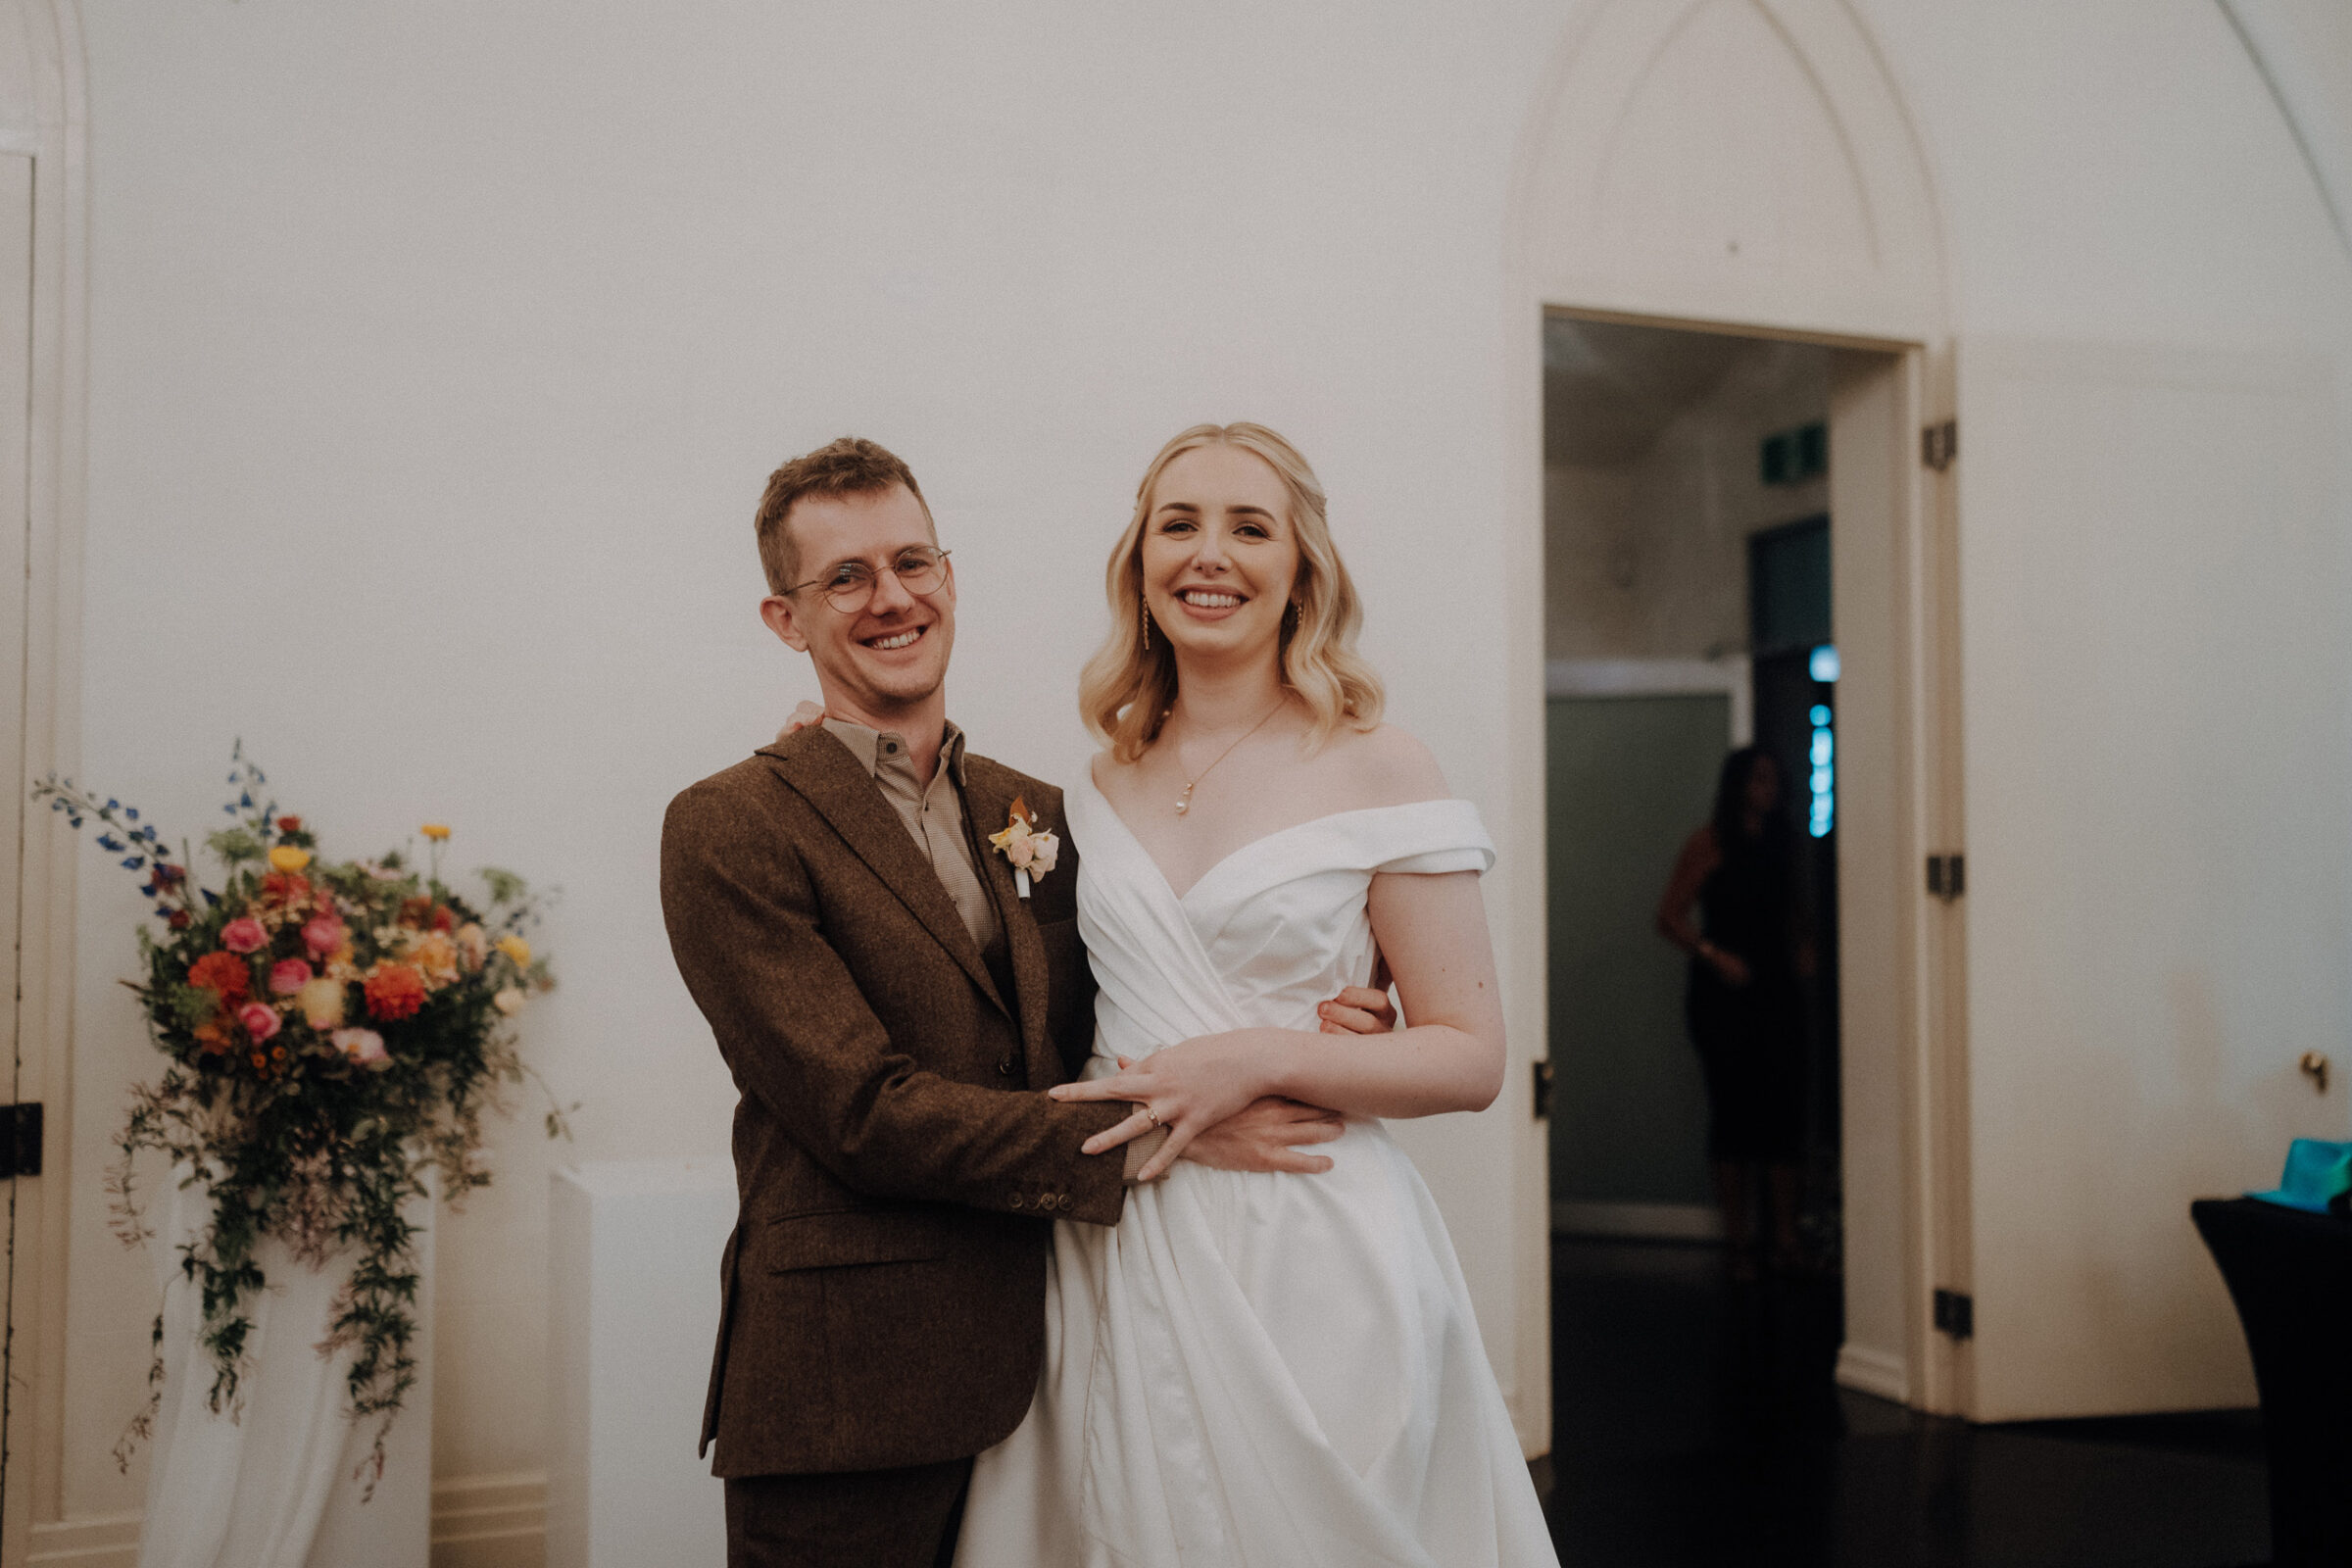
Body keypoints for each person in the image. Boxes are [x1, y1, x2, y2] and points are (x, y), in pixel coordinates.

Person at [659, 437, 1397, 1568]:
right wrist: (1179, 1127)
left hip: (1069, 1355)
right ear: (785, 620)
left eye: (913, 561)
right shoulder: (729, 823)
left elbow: (1136, 1002)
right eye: (844, 577)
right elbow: (862, 1112)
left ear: (950, 579)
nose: (890, 597)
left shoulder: (1041, 810)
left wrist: (1322, 1024)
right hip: (853, 1389)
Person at [954, 424, 1559, 1567]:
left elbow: (1471, 1056)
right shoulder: (1091, 784)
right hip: (1119, 1244)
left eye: (1249, 526)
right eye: (1178, 524)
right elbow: (1052, 1017)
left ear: (1301, 570)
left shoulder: (1383, 764)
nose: (1209, 554)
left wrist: (1266, 1058)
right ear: (1140, 560)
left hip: (1312, 1247)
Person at [1655, 746, 1811, 1281]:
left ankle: (1785, 1236)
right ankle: (1739, 1242)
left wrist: (1803, 953)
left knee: (1783, 1113)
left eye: (1775, 779)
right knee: (1734, 1114)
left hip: (1777, 991)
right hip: (1725, 995)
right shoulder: (1709, 842)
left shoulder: (1785, 843)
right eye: (1758, 779)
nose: (1767, 789)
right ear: (1739, 784)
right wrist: (1714, 955)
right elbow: (1669, 916)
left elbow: (1793, 913)